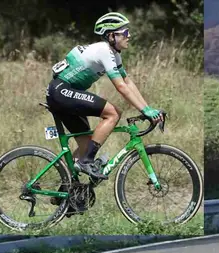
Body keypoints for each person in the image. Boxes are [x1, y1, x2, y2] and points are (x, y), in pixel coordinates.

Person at [45, 12, 164, 180]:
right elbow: (121, 87)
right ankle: (87, 161)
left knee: (86, 143)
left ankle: (67, 193)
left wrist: (148, 109)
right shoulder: (104, 51)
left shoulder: (114, 54)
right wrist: (145, 110)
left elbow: (127, 81)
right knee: (114, 113)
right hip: (61, 91)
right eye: (124, 32)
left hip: (63, 92)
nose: (129, 36)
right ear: (111, 35)